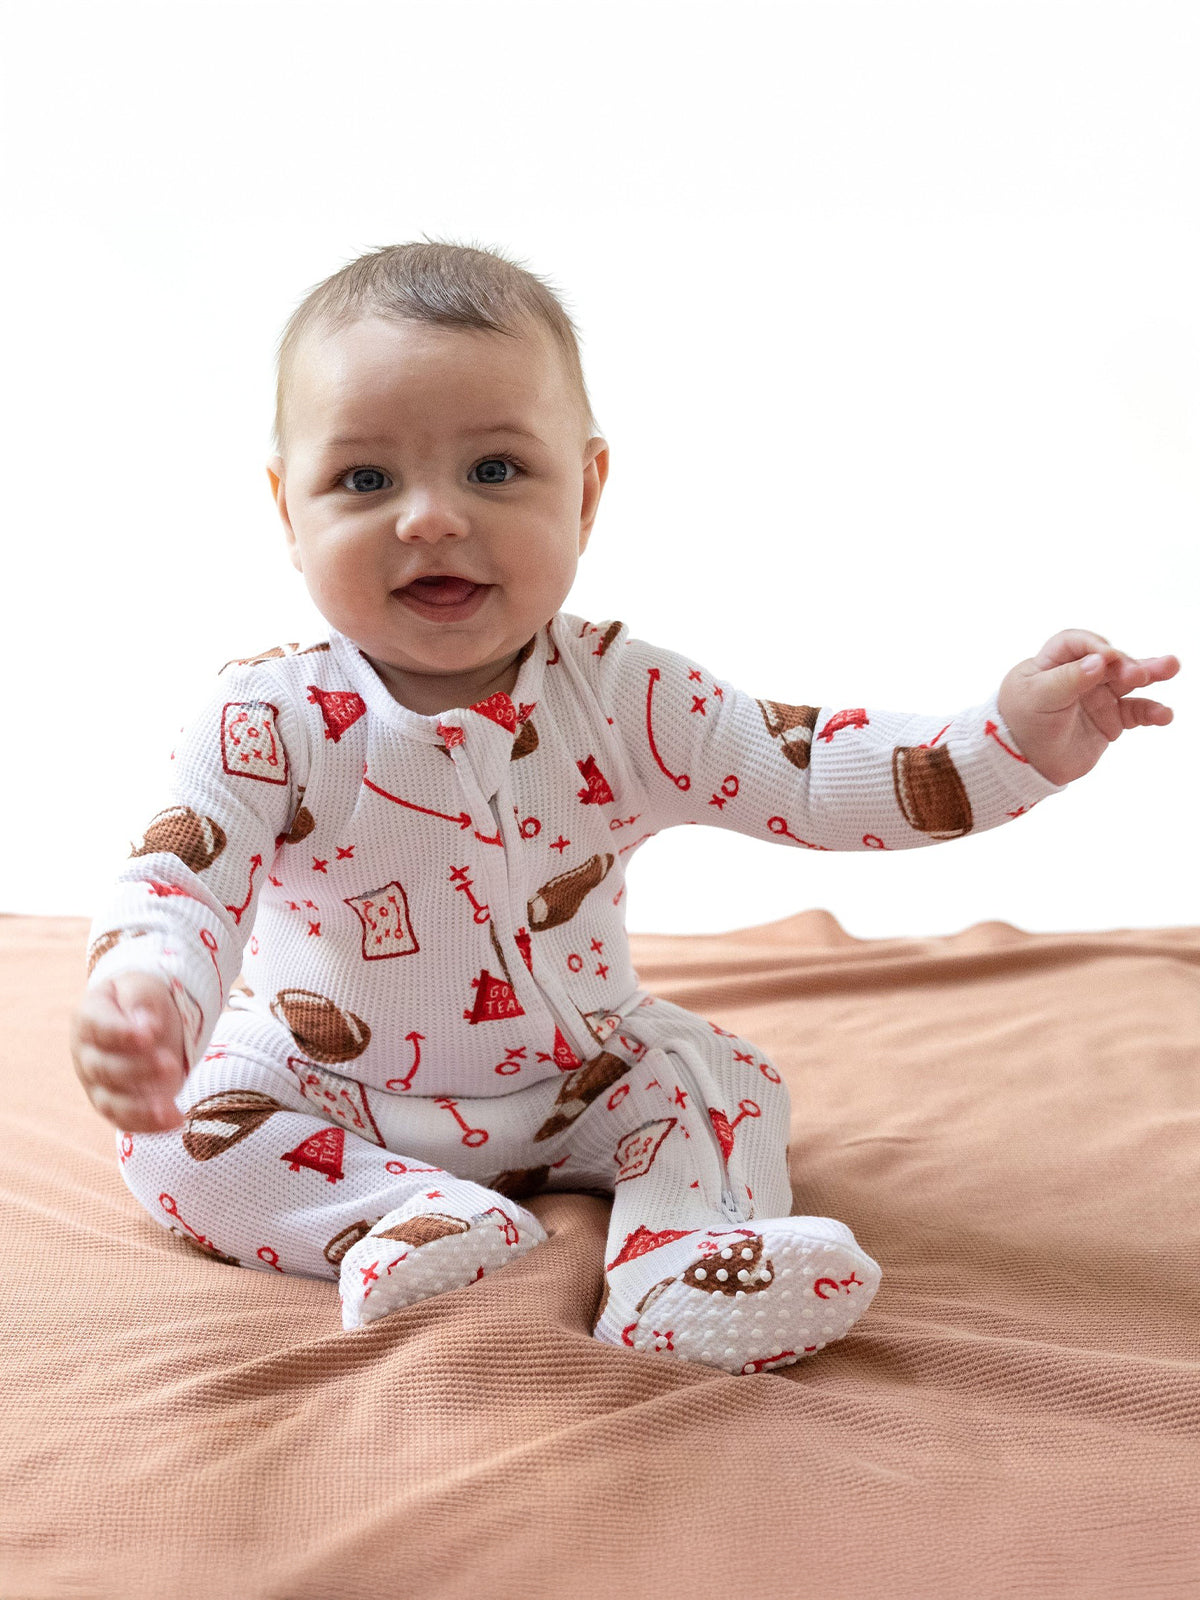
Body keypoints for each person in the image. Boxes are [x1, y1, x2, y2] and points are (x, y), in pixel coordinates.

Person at [68, 240, 1181, 1376]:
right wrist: (146, 995)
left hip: (577, 1080)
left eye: (495, 469)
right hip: (331, 1091)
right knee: (174, 1139)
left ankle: (679, 1265)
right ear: (287, 509)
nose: (432, 519)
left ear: (588, 492)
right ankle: (398, 1216)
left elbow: (810, 772)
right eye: (365, 481)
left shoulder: (627, 695)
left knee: (723, 1081)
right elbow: (178, 882)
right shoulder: (263, 721)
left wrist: (1008, 742)